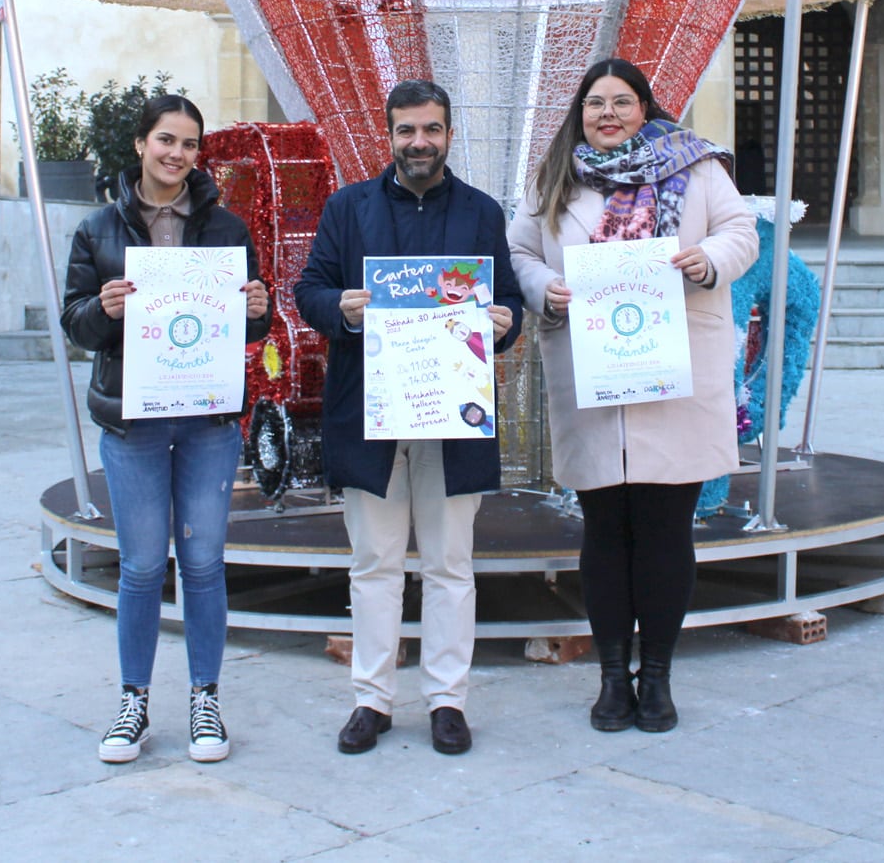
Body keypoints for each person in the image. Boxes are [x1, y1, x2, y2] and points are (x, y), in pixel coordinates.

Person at [508, 58, 756, 733]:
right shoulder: (556, 175)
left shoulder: (696, 167)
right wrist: (542, 287)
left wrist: (707, 260)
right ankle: (613, 677)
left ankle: (659, 676)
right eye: (595, 102)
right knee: (605, 531)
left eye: (621, 101)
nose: (607, 113)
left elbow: (741, 232)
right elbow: (522, 251)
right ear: (578, 112)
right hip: (593, 378)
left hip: (672, 374)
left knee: (665, 530)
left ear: (645, 107)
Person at [295, 79, 523, 756]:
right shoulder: (347, 208)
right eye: (405, 130)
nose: (418, 141)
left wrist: (503, 323)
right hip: (370, 410)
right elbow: (308, 289)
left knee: (451, 561)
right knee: (374, 562)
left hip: (451, 414)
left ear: (449, 134)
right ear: (387, 135)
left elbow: (504, 299)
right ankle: (372, 698)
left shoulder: (482, 213)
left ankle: (447, 699)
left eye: (430, 129)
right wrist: (342, 306)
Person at [61, 94, 270, 765]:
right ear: (139, 144)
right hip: (133, 422)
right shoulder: (97, 229)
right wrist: (102, 305)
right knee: (143, 565)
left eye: (188, 143)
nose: (176, 154)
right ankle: (133, 701)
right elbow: (74, 324)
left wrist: (258, 308)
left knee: (204, 563)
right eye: (164, 140)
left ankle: (205, 698)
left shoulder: (227, 229)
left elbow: (250, 323)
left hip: (207, 418)